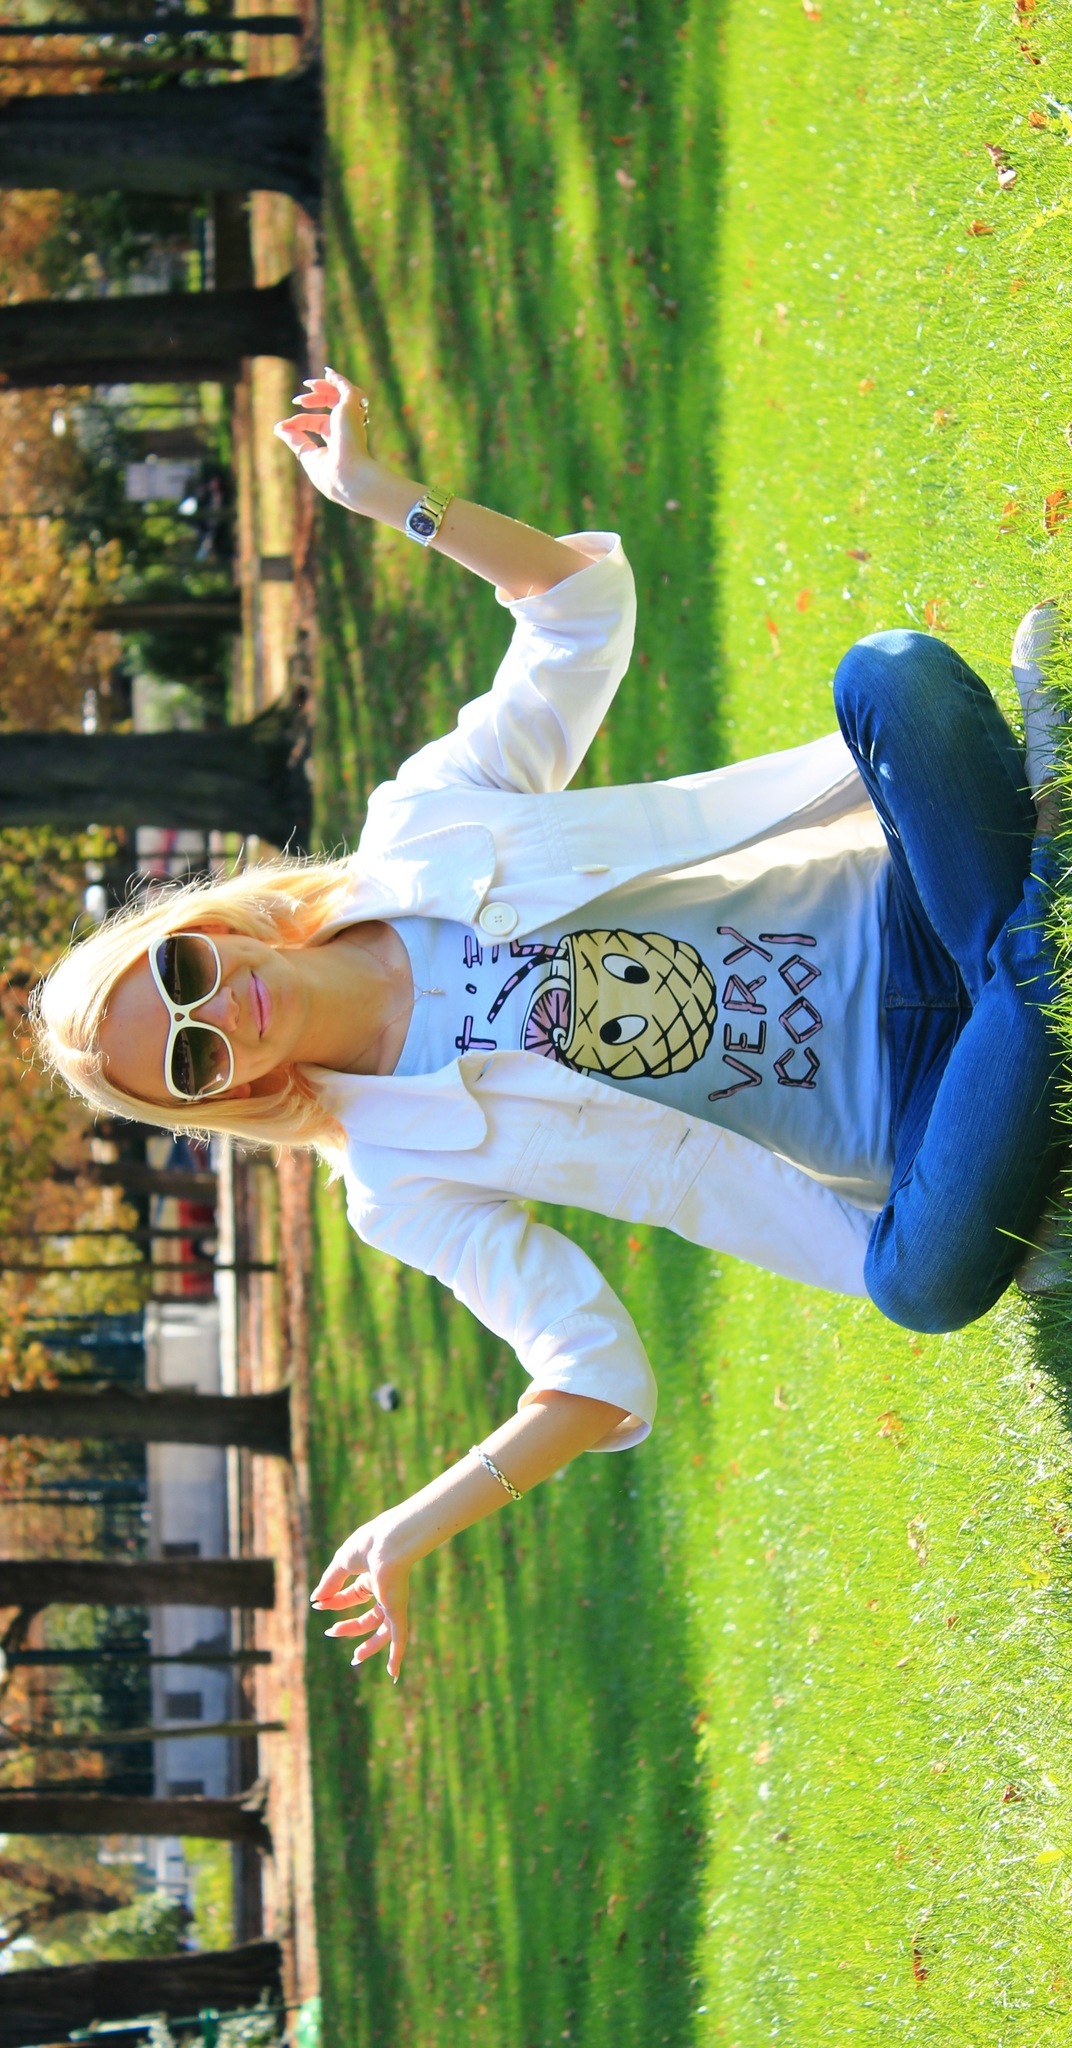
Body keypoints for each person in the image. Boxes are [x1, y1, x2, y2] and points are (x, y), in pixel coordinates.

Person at [32, 367, 1067, 1682]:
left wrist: (390, 499)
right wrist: (413, 1524)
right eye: (193, 1055)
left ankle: (1028, 974)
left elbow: (578, 615)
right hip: (912, 1108)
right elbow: (590, 1369)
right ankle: (1034, 898)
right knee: (918, 1282)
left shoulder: (421, 825)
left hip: (898, 891)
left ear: (203, 926)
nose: (216, 1010)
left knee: (889, 677)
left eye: (181, 971)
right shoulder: (400, 1184)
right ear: (218, 1098)